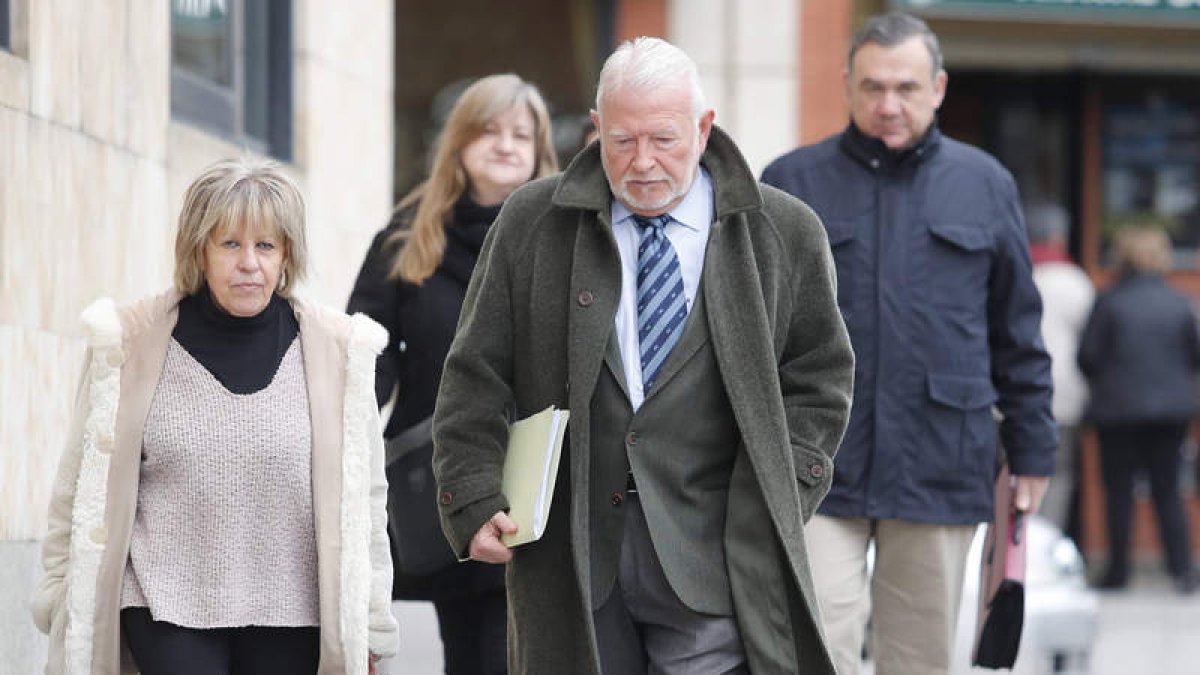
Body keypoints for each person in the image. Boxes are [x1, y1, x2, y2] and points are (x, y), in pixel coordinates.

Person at [431, 36, 854, 675]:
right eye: (623, 142)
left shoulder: (785, 233)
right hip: (575, 558)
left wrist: (779, 493)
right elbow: (475, 373)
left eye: (664, 139)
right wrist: (473, 490)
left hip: (718, 555)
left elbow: (820, 377)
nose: (643, 163)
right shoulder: (529, 223)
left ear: (704, 128)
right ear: (597, 129)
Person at [761, 12, 1056, 675]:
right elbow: (745, 328)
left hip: (939, 459)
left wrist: (1034, 449)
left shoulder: (986, 185)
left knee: (918, 660)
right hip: (813, 459)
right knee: (809, 648)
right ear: (846, 84)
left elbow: (1018, 332)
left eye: (905, 87)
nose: (887, 105)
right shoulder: (789, 183)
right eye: (871, 87)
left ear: (939, 87)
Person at [32, 158, 398, 675]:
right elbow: (77, 485)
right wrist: (59, 589)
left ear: (286, 255)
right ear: (199, 251)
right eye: (230, 244)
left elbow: (366, 499)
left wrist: (371, 614)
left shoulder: (339, 353)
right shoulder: (128, 343)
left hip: (296, 608)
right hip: (164, 601)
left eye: (265, 245)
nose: (248, 262)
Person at [346, 73, 557, 674]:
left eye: (522, 134)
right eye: (489, 130)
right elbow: (365, 360)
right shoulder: (408, 237)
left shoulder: (562, 240)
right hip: (443, 480)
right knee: (475, 650)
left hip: (541, 476)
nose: (505, 144)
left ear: (540, 150)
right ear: (459, 142)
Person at [1077, 227, 1199, 594]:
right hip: (1170, 413)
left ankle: (1118, 572)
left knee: (1118, 491)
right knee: (1167, 489)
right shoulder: (1180, 302)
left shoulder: (1110, 301)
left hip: (1119, 410)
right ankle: (1181, 570)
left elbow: (1088, 357)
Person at [1026, 202, 1094, 544]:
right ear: (1059, 238)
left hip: (1008, 393)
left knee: (1006, 474)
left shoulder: (1014, 272)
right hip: (1062, 394)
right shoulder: (1074, 282)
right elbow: (1092, 339)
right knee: (1058, 473)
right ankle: (1047, 545)